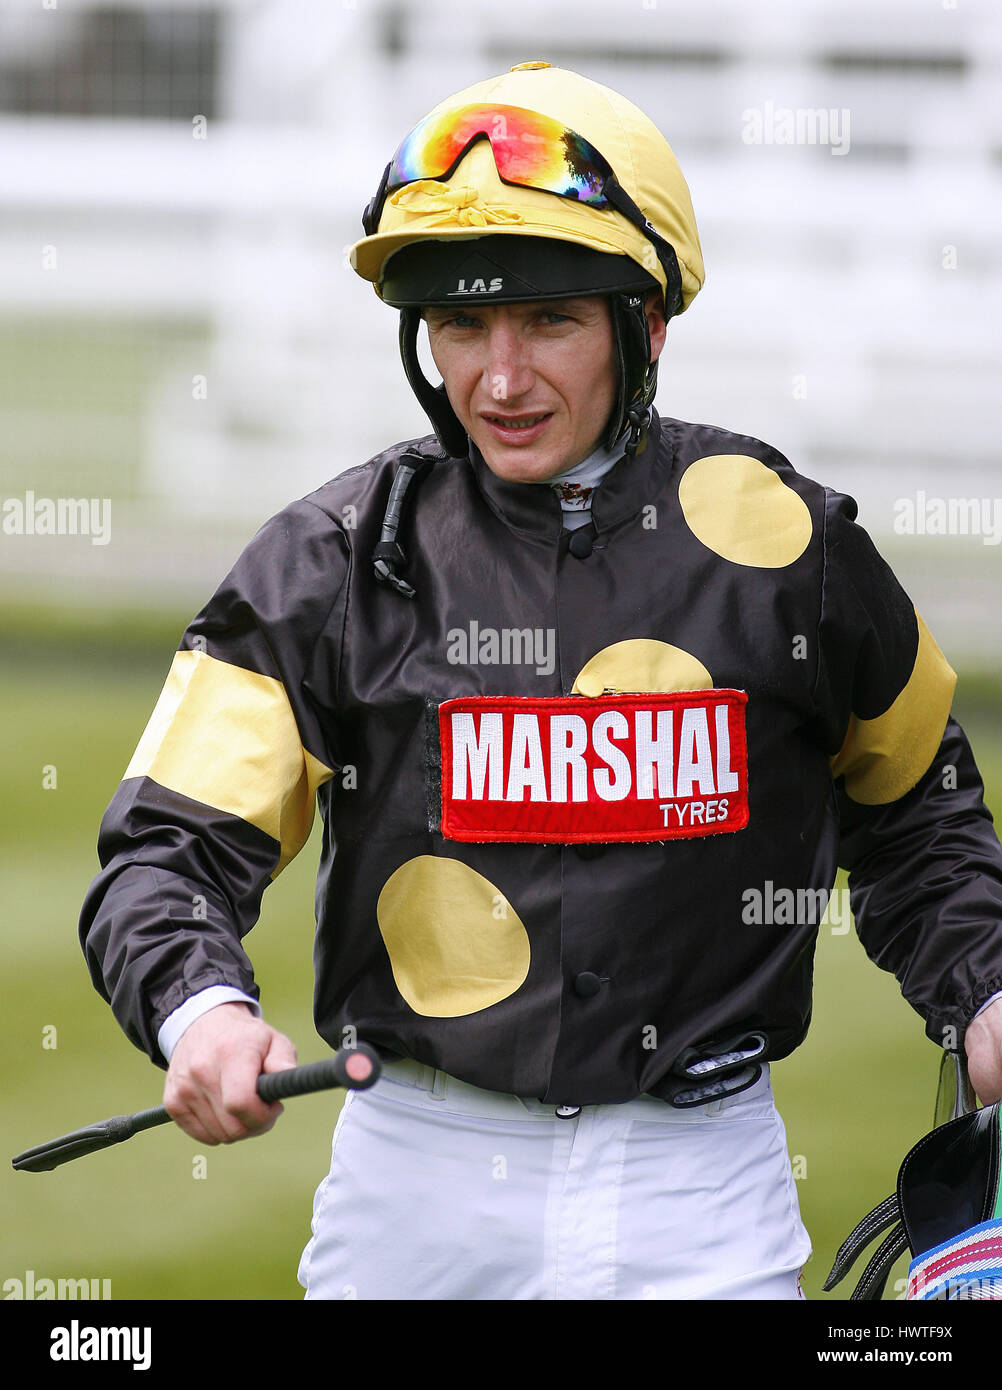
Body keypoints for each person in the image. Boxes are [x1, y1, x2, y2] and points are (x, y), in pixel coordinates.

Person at [79, 61, 1002, 1300]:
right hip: (415, 1184)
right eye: (462, 323)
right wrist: (200, 1012)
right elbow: (165, 853)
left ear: (647, 324)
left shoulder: (797, 550)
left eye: (550, 319)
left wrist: (984, 988)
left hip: (702, 1193)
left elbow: (921, 820)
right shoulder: (328, 559)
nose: (500, 380)